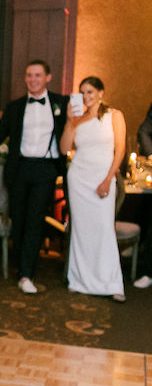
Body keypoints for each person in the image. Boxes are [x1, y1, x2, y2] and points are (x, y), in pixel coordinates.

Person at [0, 59, 68, 294]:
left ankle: (26, 274)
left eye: (38, 75)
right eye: (29, 75)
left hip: (46, 169)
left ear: (48, 78)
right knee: (19, 222)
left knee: (35, 220)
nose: (33, 79)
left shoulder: (61, 103)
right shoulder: (15, 107)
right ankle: (22, 266)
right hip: (19, 170)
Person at [60, 77, 126, 301]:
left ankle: (112, 283)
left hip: (102, 177)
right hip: (78, 178)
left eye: (90, 92)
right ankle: (78, 279)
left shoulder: (114, 115)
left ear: (101, 92)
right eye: (82, 93)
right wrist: (69, 122)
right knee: (81, 230)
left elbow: (120, 149)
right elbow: (64, 148)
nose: (86, 97)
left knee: (104, 229)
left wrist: (108, 179)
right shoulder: (78, 119)